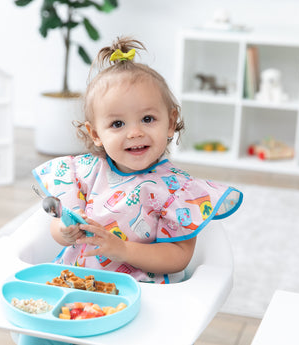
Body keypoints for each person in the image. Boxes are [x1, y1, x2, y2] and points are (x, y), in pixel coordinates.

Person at [21, 37, 242, 344]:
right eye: (117, 124)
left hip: (141, 296)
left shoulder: (177, 191)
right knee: (34, 335)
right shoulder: (82, 175)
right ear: (95, 133)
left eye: (148, 119)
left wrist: (122, 250)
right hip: (75, 285)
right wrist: (65, 231)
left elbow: (178, 257)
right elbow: (57, 228)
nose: (135, 132)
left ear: (170, 123)